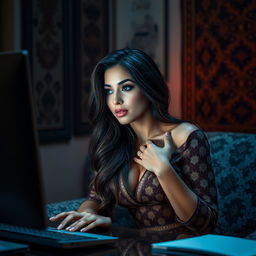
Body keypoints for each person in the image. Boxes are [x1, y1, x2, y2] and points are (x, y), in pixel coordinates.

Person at [50, 48, 218, 235]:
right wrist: (88, 215)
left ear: (148, 87)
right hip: (138, 247)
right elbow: (95, 197)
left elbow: (205, 223)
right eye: (108, 91)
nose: (116, 100)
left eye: (127, 87)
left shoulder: (187, 137)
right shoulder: (115, 141)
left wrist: (163, 169)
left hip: (187, 247)